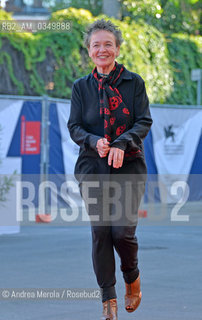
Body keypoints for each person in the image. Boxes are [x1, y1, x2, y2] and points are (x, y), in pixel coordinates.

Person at [68, 19, 153, 320]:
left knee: (122, 233)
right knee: (101, 232)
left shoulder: (134, 83)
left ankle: (132, 276)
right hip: (92, 166)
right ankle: (109, 302)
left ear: (117, 48)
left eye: (108, 44)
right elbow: (74, 127)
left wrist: (120, 142)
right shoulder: (81, 87)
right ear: (89, 50)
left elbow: (143, 121)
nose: (102, 49)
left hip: (128, 165)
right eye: (96, 45)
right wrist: (94, 141)